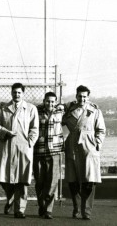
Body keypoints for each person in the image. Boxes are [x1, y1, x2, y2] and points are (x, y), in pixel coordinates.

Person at [0, 83, 39, 219]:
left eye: (19, 93)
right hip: (7, 147)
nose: (16, 95)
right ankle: (11, 199)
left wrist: (30, 142)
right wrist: (5, 132)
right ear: (11, 93)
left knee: (22, 180)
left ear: (23, 93)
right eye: (14, 92)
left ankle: (20, 210)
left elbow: (35, 129)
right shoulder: (3, 108)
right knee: (5, 179)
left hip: (23, 148)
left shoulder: (31, 108)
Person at [61, 85, 106, 220]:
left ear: (88, 97)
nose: (82, 98)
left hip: (89, 146)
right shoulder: (69, 109)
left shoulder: (95, 110)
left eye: (85, 96)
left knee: (89, 179)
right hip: (72, 145)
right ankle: (76, 208)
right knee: (73, 179)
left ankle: (86, 211)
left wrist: (97, 143)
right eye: (80, 96)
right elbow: (56, 115)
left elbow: (101, 130)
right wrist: (65, 105)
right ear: (76, 96)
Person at [33, 91, 64, 219]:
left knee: (52, 181)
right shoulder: (36, 110)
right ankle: (42, 205)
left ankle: (48, 210)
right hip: (39, 151)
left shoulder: (61, 111)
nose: (50, 103)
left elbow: (75, 105)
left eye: (52, 101)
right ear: (43, 100)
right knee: (39, 181)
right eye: (47, 101)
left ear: (55, 102)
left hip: (55, 151)